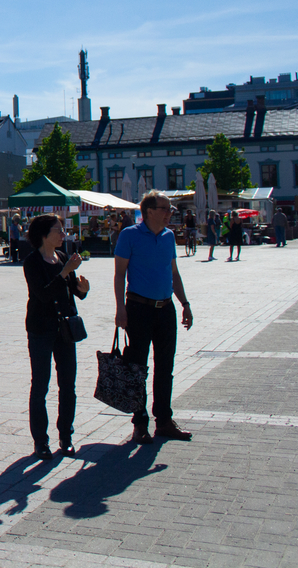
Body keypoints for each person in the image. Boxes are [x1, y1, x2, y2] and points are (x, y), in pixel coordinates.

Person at [114, 189, 194, 444]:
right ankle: (140, 424)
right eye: (165, 208)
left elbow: (175, 273)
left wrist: (185, 303)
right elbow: (119, 275)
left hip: (165, 308)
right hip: (138, 308)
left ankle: (164, 421)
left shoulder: (169, 236)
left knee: (165, 367)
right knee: (138, 368)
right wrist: (120, 309)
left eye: (170, 209)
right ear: (149, 211)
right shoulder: (130, 235)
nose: (170, 213)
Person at [23, 214, 89, 459]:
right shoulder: (32, 262)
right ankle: (41, 441)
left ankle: (66, 436)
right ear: (43, 235)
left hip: (65, 328)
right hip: (41, 328)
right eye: (58, 230)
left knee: (68, 385)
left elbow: (71, 292)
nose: (64, 234)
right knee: (40, 385)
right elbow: (42, 295)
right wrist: (64, 273)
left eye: (63, 230)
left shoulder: (61, 257)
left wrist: (83, 289)